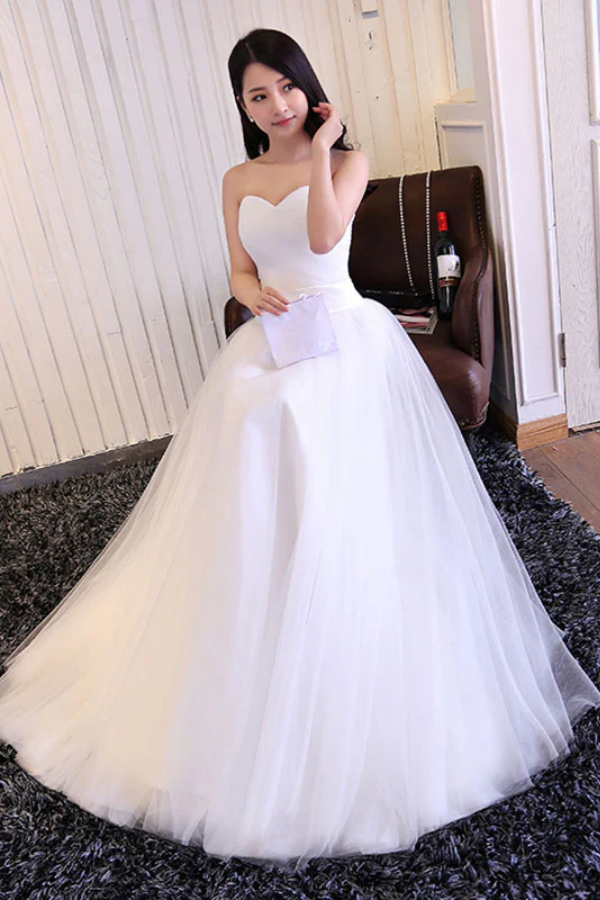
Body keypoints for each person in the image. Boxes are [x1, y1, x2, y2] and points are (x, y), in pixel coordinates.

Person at [0, 26, 599, 873]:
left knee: (339, 476)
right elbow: (239, 270)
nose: (275, 104)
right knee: (252, 444)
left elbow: (322, 242)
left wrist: (320, 149)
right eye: (258, 95)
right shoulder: (236, 179)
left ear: (307, 89)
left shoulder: (346, 163)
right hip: (276, 341)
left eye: (285, 87)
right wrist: (255, 296)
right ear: (243, 107)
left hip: (347, 340)